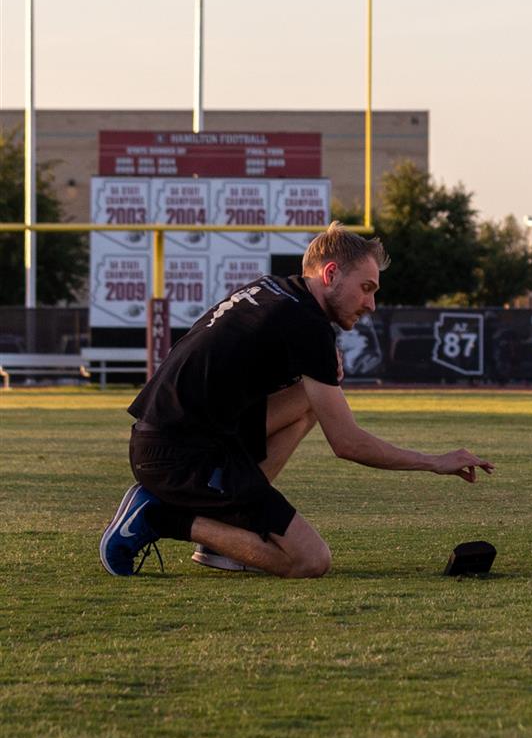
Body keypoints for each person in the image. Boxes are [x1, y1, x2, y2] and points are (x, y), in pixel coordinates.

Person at [99, 225, 494, 578]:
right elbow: (347, 444)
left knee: (311, 398)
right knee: (310, 560)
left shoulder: (277, 291)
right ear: (331, 274)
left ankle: (225, 535)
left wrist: (310, 373)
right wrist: (434, 461)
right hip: (177, 457)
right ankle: (158, 516)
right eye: (367, 288)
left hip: (177, 436)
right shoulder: (306, 324)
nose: (371, 304)